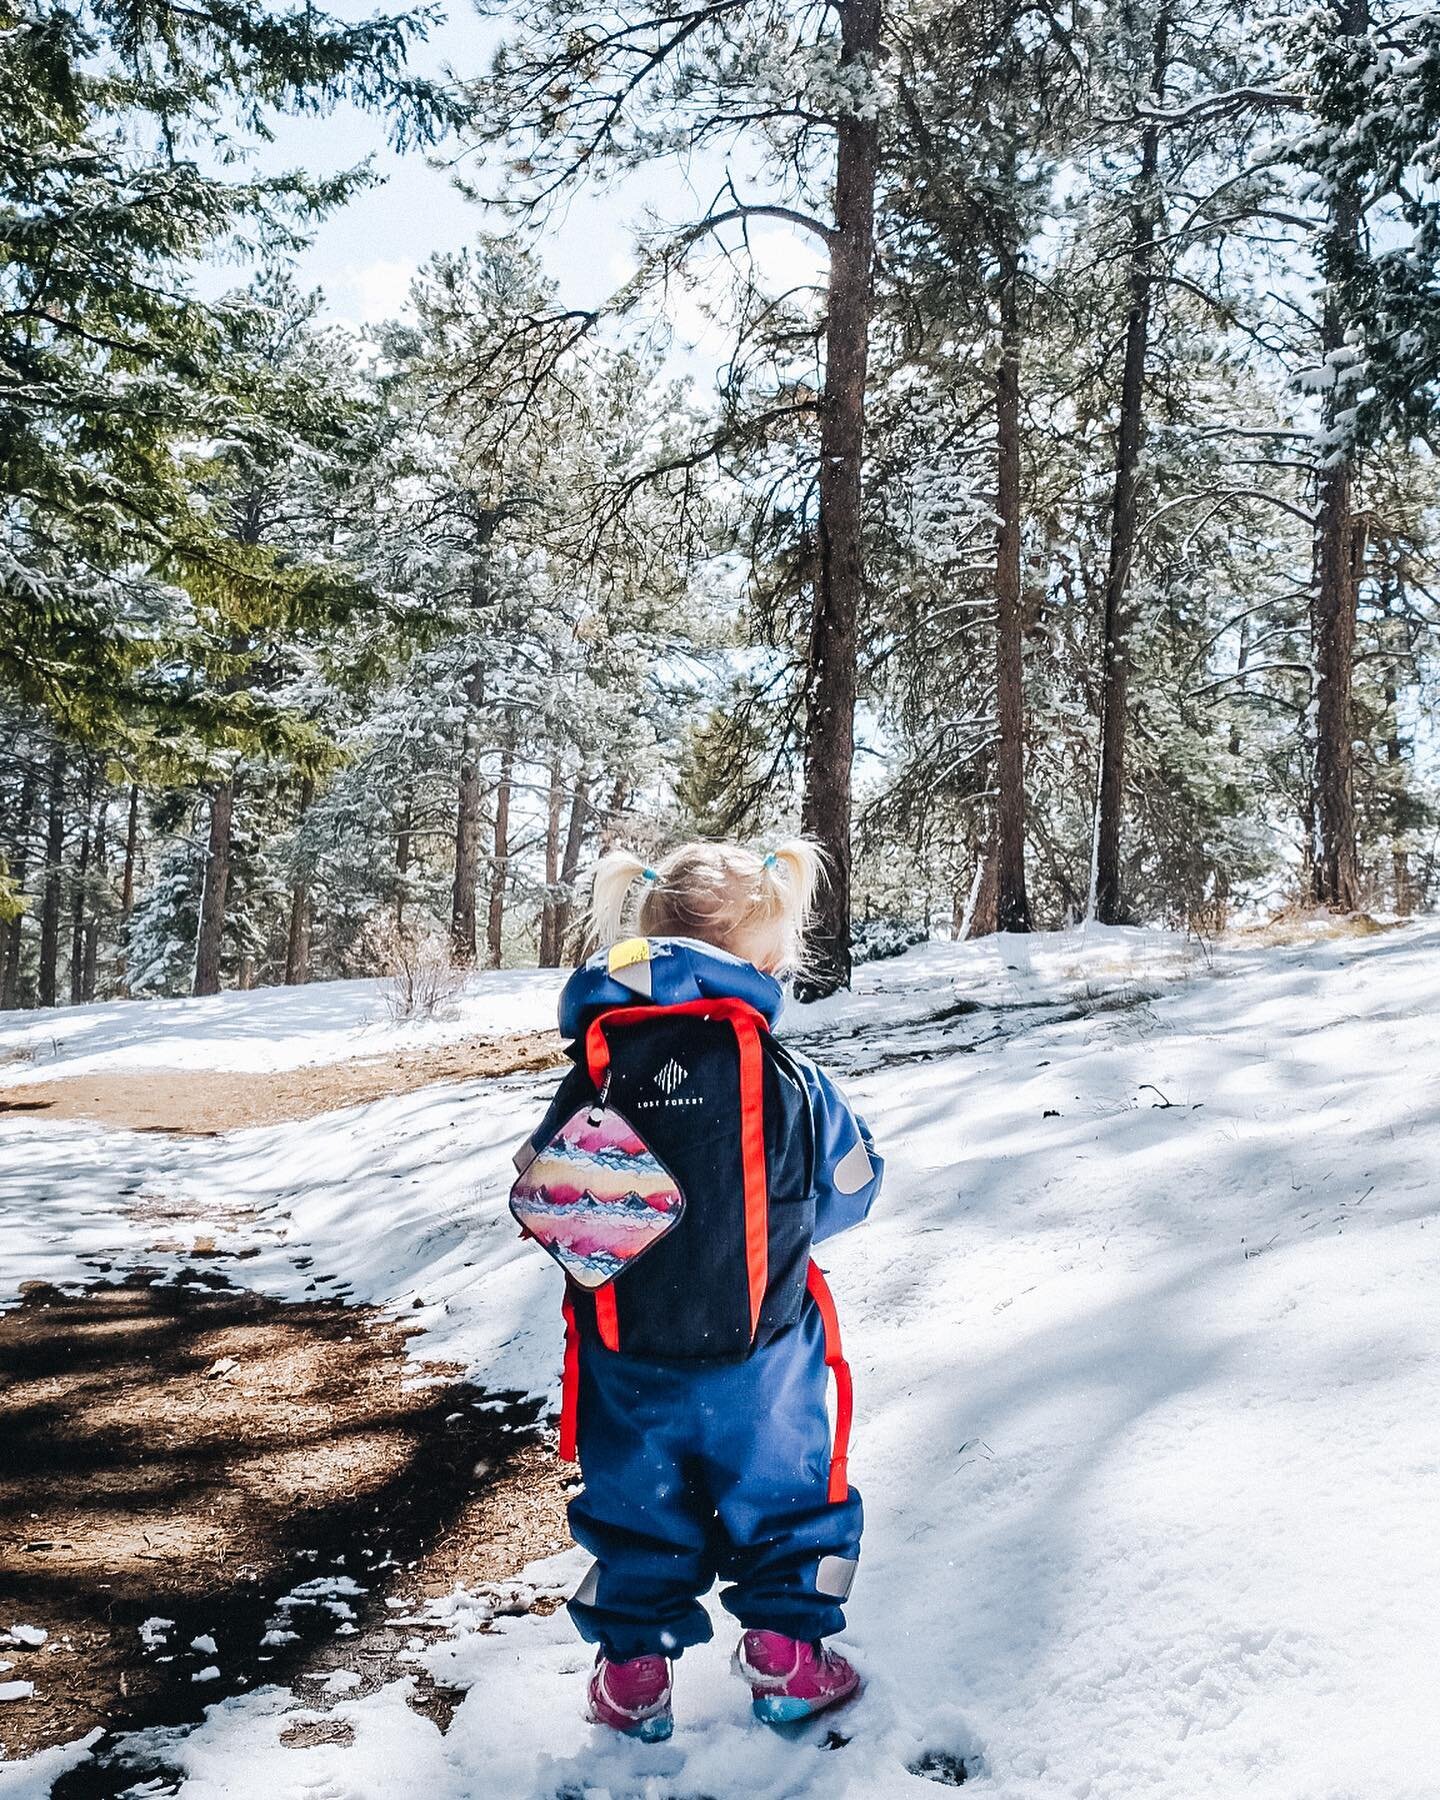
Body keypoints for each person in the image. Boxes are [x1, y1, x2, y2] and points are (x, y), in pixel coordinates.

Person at [511, 840, 883, 1741]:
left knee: (636, 1510)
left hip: (624, 1351)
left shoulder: (596, 1071)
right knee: (789, 1500)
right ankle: (788, 1661)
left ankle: (633, 1680)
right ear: (766, 961)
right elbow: (852, 1187)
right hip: (767, 1353)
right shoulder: (792, 1079)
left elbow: (543, 1188)